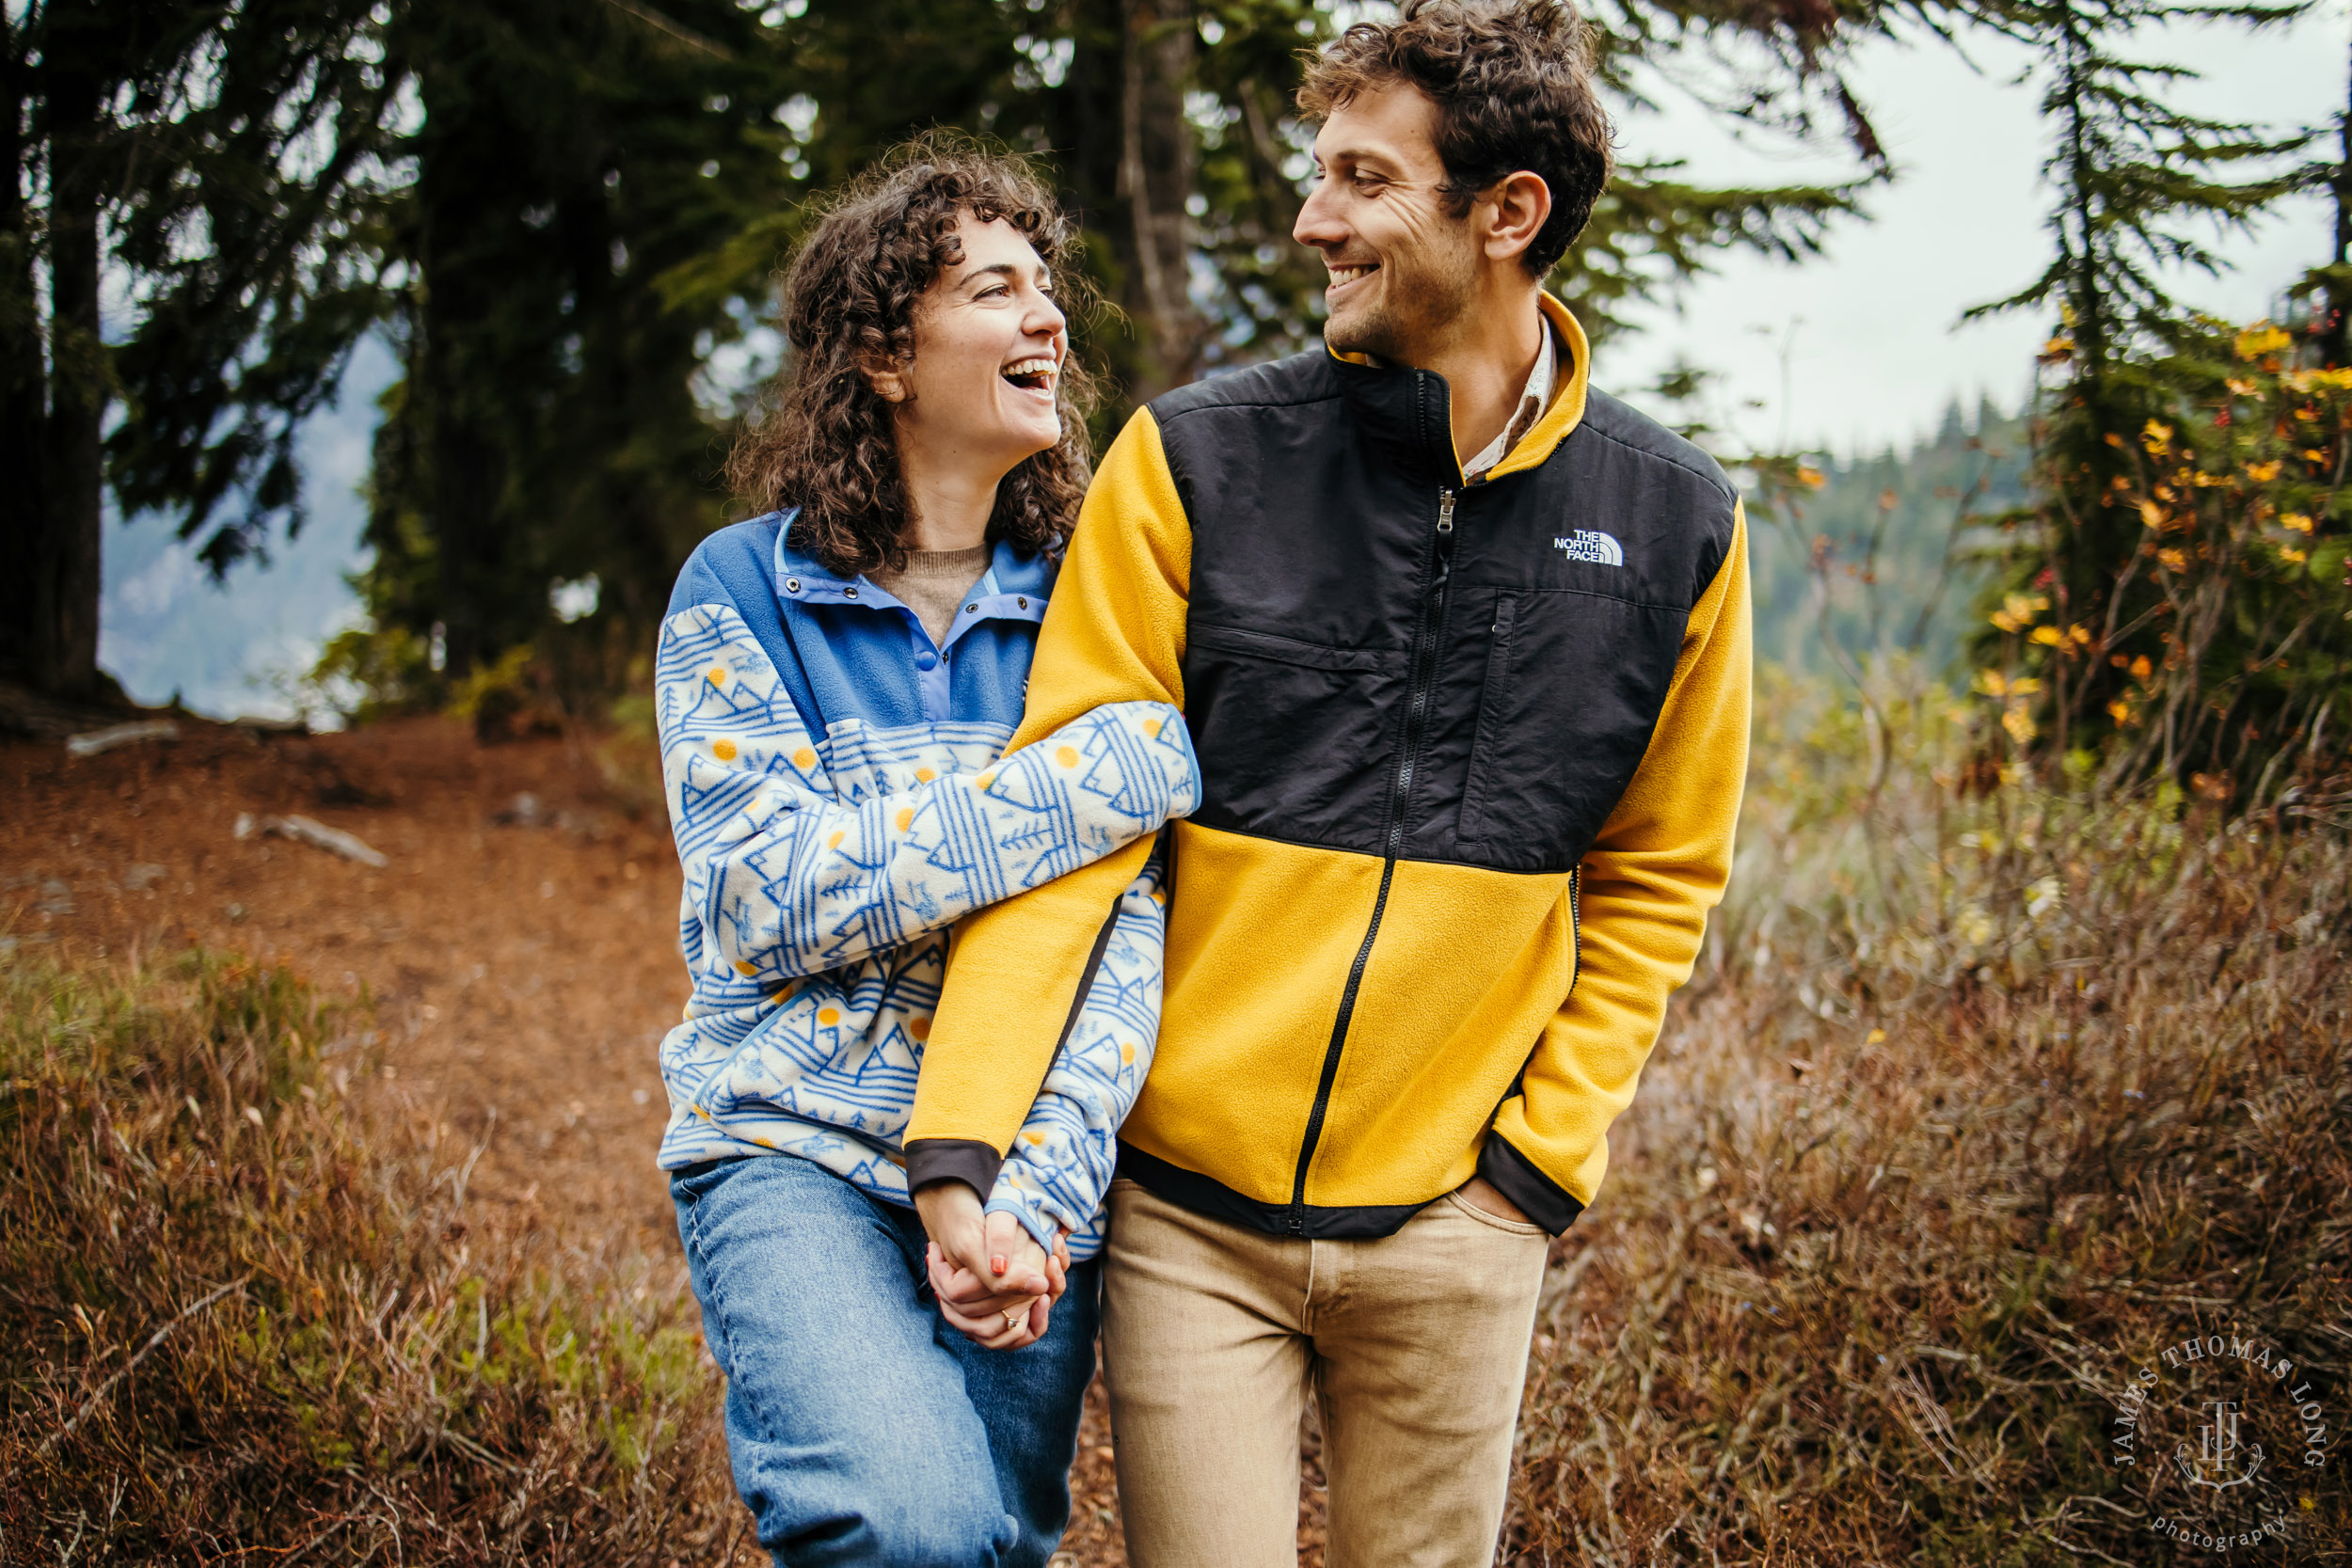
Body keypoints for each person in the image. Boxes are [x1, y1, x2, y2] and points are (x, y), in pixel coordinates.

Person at [906, 3, 1753, 1562]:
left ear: (1507, 215)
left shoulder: (1674, 525)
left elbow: (1660, 872)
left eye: (1365, 178)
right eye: (1320, 174)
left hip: (1460, 1228)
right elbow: (1063, 832)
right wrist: (962, 1134)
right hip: (1190, 1218)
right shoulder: (1192, 462)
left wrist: (1532, 1169)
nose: (1315, 219)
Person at [652, 141, 1200, 1568]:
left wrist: (1035, 1201)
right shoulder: (747, 588)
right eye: (994, 288)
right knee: (904, 1528)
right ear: (887, 357)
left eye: (1048, 290)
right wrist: (1090, 781)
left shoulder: (1102, 599)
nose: (1049, 321)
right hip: (791, 1151)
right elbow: (766, 897)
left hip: (1028, 1170)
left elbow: (1122, 941)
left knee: (997, 1547)